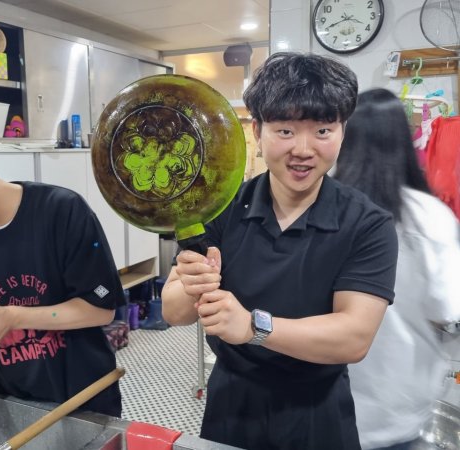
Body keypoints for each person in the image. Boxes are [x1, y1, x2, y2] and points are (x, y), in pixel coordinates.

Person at [161, 52, 399, 450]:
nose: (303, 149)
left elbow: (353, 338)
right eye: (285, 130)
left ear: (343, 131)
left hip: (316, 409)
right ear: (258, 131)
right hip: (231, 404)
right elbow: (174, 312)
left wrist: (254, 327)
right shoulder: (220, 208)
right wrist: (191, 284)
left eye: (322, 130)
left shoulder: (367, 224)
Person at [0, 115, 125, 417]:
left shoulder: (62, 210)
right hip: (14, 404)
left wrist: (13, 317)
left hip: (85, 400)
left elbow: (101, 309)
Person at [334, 88, 460, 450]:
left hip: (329, 391)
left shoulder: (328, 206)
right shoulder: (429, 215)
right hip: (399, 396)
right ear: (402, 141)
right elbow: (447, 306)